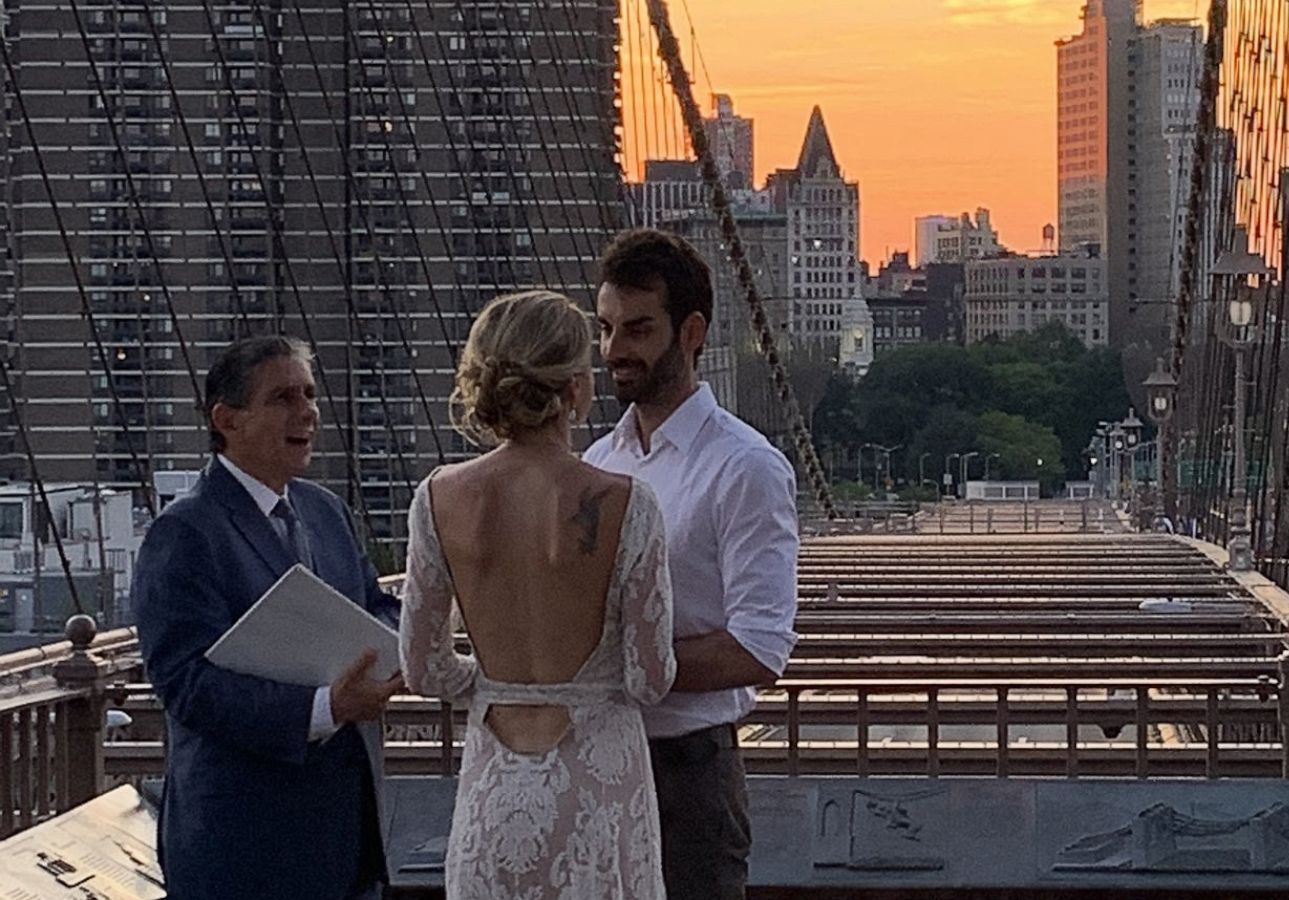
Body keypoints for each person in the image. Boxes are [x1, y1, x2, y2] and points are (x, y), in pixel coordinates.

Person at [400, 290, 676, 899]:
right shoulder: (627, 504)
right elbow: (648, 679)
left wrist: (488, 679)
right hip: (598, 789)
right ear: (576, 389)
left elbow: (423, 669)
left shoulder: (439, 498)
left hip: (493, 791)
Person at [132, 336, 403, 900]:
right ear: (227, 420)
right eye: (283, 398)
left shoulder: (325, 510)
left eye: (309, 394)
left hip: (346, 840)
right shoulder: (184, 532)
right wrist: (326, 708)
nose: (307, 411)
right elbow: (186, 684)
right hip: (243, 848)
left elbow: (371, 603)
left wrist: (403, 641)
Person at [583, 229, 800, 899]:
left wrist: (619, 669)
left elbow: (760, 648)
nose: (616, 351)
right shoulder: (596, 465)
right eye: (607, 329)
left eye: (639, 329)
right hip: (594, 760)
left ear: (692, 331)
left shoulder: (746, 468)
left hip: (689, 772)